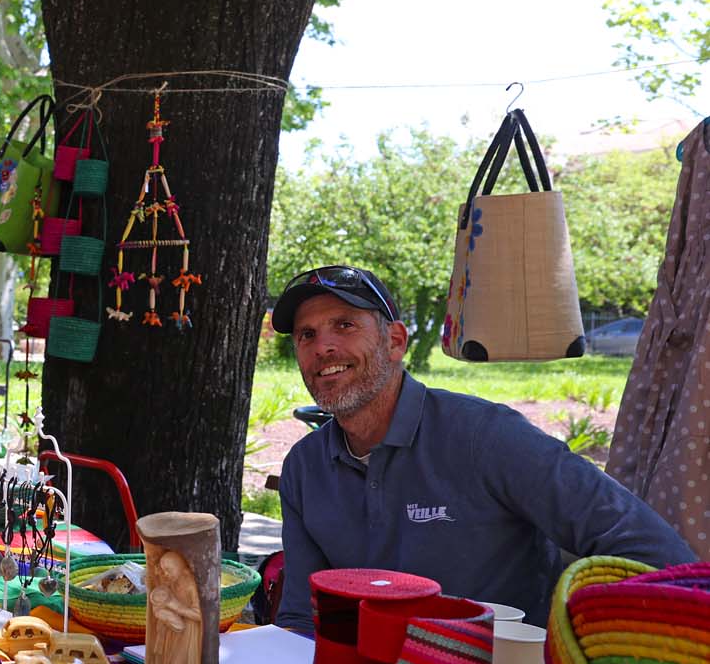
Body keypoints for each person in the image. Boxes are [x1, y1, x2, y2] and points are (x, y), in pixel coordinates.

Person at [271, 264, 693, 634]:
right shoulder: (305, 467)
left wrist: (582, 655)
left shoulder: (486, 437)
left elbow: (656, 555)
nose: (323, 347)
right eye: (307, 335)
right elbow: (300, 619)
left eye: (344, 325)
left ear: (395, 342)